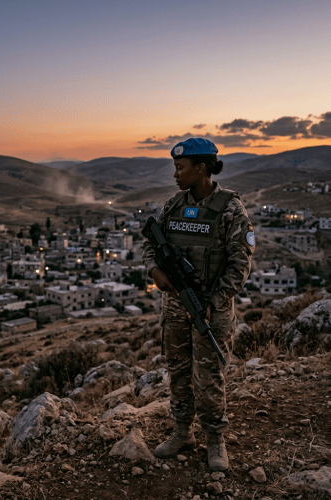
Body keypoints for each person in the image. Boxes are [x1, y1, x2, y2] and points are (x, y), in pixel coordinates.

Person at [142, 137, 255, 471]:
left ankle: (215, 439)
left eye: (180, 168)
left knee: (208, 377)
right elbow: (151, 244)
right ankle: (182, 432)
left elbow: (240, 264)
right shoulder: (173, 207)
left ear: (200, 168)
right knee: (177, 371)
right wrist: (155, 270)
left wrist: (213, 302)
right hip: (175, 308)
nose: (175, 175)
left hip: (210, 311)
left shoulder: (230, 209)